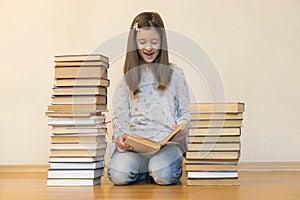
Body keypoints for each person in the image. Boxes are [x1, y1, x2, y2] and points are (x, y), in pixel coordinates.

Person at [108, 12, 191, 185]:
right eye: (142, 42)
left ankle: (154, 171)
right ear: (134, 44)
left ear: (162, 42)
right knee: (118, 175)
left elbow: (185, 113)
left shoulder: (175, 75)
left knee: (164, 174)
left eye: (154, 42)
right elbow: (120, 120)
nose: (148, 48)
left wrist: (182, 128)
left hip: (166, 145)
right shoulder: (126, 81)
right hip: (137, 148)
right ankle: (145, 173)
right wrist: (121, 139)